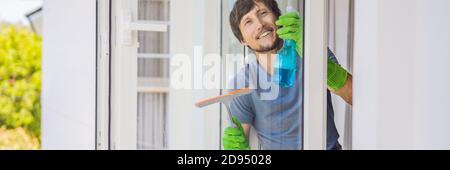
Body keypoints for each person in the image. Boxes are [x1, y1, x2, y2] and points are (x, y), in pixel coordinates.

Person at [222, 0, 353, 150]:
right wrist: (235, 149)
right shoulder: (242, 83)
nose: (259, 24)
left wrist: (312, 53)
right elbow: (239, 146)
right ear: (243, 40)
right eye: (248, 22)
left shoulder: (311, 50)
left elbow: (353, 95)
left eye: (263, 13)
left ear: (277, 17)